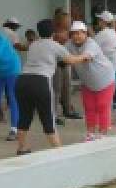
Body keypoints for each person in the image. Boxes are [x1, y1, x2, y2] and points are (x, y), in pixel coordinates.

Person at [14, 19, 90, 155]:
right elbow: (71, 60)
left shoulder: (33, 44)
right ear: (53, 32)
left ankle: (22, 148)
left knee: (25, 116)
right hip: (40, 81)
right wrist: (85, 56)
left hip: (22, 80)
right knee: (48, 117)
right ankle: (60, 153)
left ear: (39, 32)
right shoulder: (55, 45)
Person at [65, 21, 115, 141]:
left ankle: (103, 133)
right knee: (89, 107)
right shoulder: (69, 44)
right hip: (88, 82)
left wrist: (70, 59)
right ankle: (90, 133)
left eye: (80, 33)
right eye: (74, 33)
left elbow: (85, 57)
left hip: (105, 80)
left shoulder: (91, 44)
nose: (77, 36)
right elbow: (61, 52)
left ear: (85, 34)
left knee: (102, 106)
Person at [51, 9, 79, 121]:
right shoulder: (55, 33)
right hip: (56, 63)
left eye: (70, 20)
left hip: (66, 62)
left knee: (67, 88)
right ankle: (54, 114)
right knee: (56, 89)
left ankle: (67, 109)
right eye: (67, 20)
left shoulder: (68, 32)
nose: (70, 21)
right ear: (60, 21)